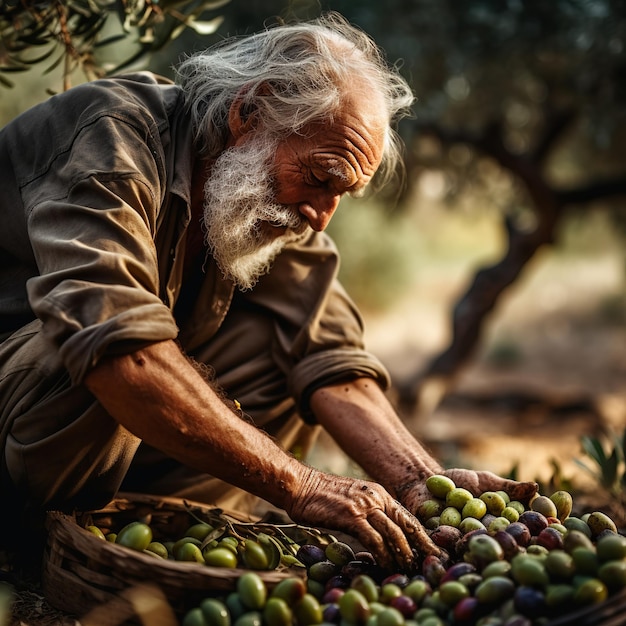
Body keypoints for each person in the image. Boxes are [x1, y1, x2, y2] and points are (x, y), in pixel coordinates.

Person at [0, 12, 536, 572]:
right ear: (248, 113)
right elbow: (122, 355)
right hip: (21, 404)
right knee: (98, 344)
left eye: (341, 194)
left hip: (75, 444)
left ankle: (148, 524)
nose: (320, 217)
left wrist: (420, 481)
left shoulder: (261, 191)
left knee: (283, 349)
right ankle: (27, 541)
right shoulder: (109, 140)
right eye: (321, 178)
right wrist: (301, 486)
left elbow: (330, 355)